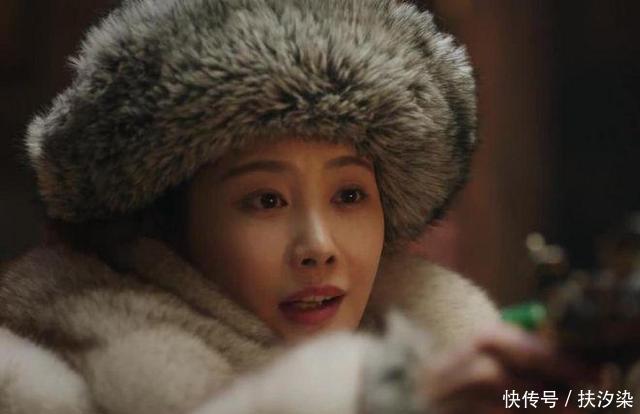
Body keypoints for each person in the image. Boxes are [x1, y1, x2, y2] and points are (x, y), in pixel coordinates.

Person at [0, 0, 593, 413]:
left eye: (350, 196)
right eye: (265, 200)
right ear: (166, 220)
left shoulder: (448, 351)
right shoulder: (36, 387)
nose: (318, 247)